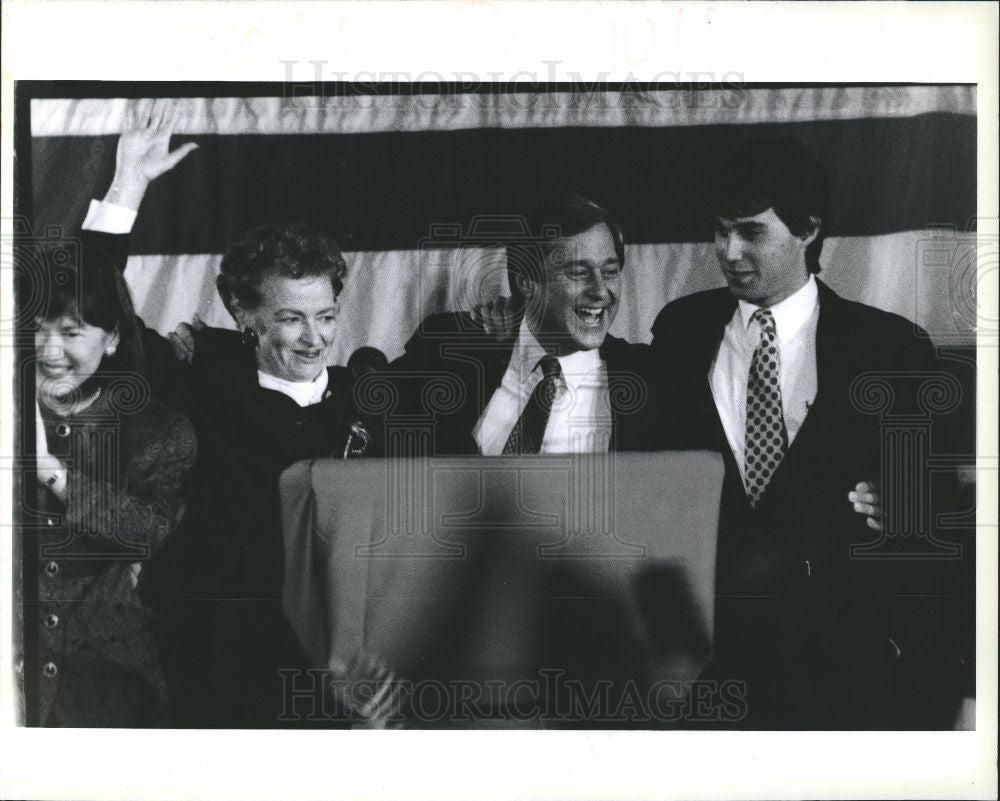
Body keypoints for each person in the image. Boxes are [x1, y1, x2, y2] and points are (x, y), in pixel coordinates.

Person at [649, 137, 972, 728]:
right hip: (706, 680)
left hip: (843, 683)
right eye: (720, 231)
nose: (728, 251)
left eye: (750, 232)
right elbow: (645, 482)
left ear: (808, 230)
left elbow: (933, 521)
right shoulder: (679, 332)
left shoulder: (889, 349)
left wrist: (893, 644)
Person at [78, 99, 369, 727]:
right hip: (219, 673)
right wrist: (127, 185)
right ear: (243, 314)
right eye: (291, 319)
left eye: (325, 316)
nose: (314, 339)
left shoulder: (371, 400)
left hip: (341, 679)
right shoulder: (196, 388)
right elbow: (90, 313)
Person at [31, 231, 197, 726]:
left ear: (113, 339)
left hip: (108, 677)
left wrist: (50, 470)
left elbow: (147, 531)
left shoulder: (159, 430)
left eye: (71, 331)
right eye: (36, 329)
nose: (49, 349)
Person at [386, 191, 656, 456]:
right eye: (577, 272)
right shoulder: (447, 349)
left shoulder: (650, 377)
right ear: (526, 282)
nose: (599, 291)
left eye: (609, 272)